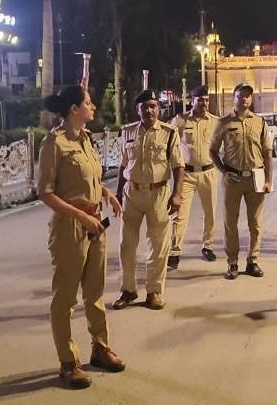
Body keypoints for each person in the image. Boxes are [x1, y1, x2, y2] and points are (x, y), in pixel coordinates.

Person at [38, 85, 125, 389]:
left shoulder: (86, 138)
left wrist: (107, 194)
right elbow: (45, 192)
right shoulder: (54, 144)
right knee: (65, 298)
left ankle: (100, 349)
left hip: (95, 223)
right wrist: (81, 216)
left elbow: (90, 178)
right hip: (70, 227)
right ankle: (68, 362)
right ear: (74, 109)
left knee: (95, 292)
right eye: (88, 103)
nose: (93, 107)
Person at [113, 89, 184, 310]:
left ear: (158, 108)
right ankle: (128, 290)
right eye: (144, 107)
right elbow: (123, 165)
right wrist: (118, 193)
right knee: (126, 245)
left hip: (158, 194)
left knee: (158, 245)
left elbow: (178, 166)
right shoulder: (128, 132)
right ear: (138, 110)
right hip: (131, 193)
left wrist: (177, 194)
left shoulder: (169, 133)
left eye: (153, 106)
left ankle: (154, 291)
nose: (149, 110)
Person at [209, 83, 273, 280]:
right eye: (240, 95)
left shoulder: (260, 122)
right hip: (233, 178)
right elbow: (212, 150)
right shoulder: (223, 122)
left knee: (256, 223)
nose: (244, 99)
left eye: (247, 96)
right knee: (230, 223)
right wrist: (223, 171)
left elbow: (267, 152)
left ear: (251, 99)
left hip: (256, 177)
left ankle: (252, 260)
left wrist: (269, 180)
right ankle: (232, 262)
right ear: (233, 98)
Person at [168, 85, 219, 268]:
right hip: (187, 174)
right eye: (200, 100)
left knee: (210, 212)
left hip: (208, 173)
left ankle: (208, 246)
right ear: (192, 101)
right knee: (179, 214)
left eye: (206, 100)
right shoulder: (181, 120)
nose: (204, 103)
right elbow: (168, 139)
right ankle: (174, 251)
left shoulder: (215, 122)